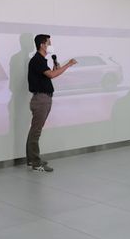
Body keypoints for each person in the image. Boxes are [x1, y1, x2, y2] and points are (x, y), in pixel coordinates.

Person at [26, 34, 77, 172]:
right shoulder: (37, 60)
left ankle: (32, 160)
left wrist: (56, 67)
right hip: (41, 100)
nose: (50, 45)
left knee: (34, 131)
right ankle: (36, 163)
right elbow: (52, 75)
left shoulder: (42, 60)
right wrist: (68, 64)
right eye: (49, 43)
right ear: (42, 45)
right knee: (36, 132)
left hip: (43, 98)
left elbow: (50, 75)